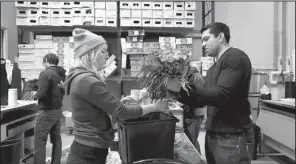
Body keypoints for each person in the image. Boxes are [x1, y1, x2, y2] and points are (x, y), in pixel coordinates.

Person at [64, 28, 169, 164]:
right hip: (88, 153)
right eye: (103, 51)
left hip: (87, 148)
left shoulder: (79, 77)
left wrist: (117, 102)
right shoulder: (88, 81)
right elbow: (122, 112)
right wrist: (155, 107)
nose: (107, 56)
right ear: (90, 54)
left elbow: (94, 109)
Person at [166, 22, 255, 164]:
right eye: (201, 40)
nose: (202, 44)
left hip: (231, 136)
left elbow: (222, 94)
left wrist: (183, 88)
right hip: (215, 135)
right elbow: (202, 99)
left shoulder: (235, 58)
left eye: (206, 39)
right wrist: (178, 93)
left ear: (220, 37)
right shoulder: (214, 67)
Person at [34, 53, 66, 164]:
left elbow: (41, 93)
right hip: (58, 111)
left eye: (43, 62)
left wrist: (34, 96)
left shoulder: (45, 73)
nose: (43, 65)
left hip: (46, 112)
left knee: (40, 141)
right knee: (57, 140)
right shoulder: (62, 74)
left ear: (47, 61)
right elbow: (63, 91)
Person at [178, 65, 206, 154]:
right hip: (188, 113)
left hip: (196, 114)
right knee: (190, 139)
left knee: (192, 141)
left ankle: (198, 160)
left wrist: (184, 98)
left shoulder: (197, 78)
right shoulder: (184, 77)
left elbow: (201, 99)